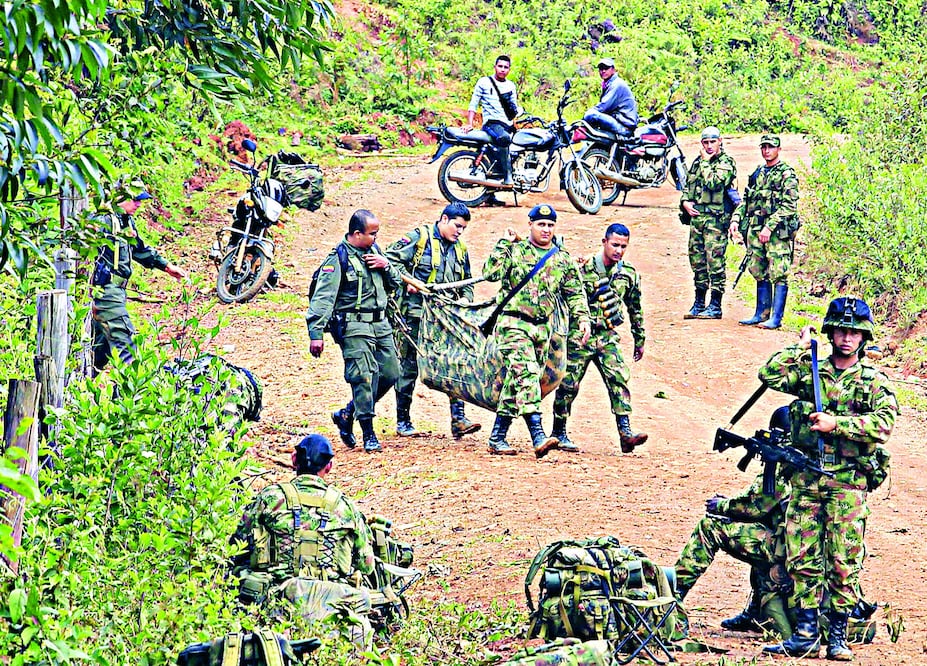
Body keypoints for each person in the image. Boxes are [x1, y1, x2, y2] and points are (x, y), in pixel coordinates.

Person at [758, 296, 897, 660]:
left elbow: (884, 424)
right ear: (830, 333)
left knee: (843, 559)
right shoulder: (811, 372)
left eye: (853, 332)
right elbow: (769, 374)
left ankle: (837, 635)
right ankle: (805, 632)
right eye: (840, 331)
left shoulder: (872, 380)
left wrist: (839, 425)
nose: (846, 338)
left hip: (848, 483)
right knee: (801, 555)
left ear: (863, 337)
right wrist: (800, 348)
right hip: (807, 479)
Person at [674, 407, 794, 638]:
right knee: (760, 533)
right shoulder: (809, 457)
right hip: (800, 546)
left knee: (710, 528)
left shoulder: (784, 461)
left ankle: (672, 595)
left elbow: (755, 505)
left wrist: (722, 506)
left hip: (786, 548)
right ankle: (757, 613)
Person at [482, 204, 591, 457]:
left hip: (542, 330)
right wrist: (503, 244)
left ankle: (497, 437)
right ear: (530, 224)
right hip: (512, 324)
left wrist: (583, 319)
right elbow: (490, 273)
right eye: (541, 224)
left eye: (550, 225)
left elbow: (575, 293)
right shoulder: (516, 251)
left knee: (516, 382)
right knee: (528, 374)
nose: (546, 229)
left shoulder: (561, 259)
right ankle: (538, 435)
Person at [231, 434, 375, 597]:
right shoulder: (345, 506)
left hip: (275, 597)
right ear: (329, 466)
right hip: (331, 602)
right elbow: (366, 565)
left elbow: (238, 545)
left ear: (294, 460)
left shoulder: (269, 497)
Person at [306, 209, 402, 453]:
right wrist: (316, 334)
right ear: (357, 234)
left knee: (391, 372)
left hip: (380, 323)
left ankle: (348, 413)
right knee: (363, 376)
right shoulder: (337, 259)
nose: (376, 238)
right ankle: (368, 432)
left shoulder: (376, 253)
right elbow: (323, 298)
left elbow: (396, 283)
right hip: (354, 326)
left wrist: (386, 266)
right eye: (372, 234)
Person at [385, 202, 481, 439]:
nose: (459, 231)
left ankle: (458, 419)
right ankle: (403, 420)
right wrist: (407, 282)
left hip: (445, 320)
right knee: (407, 367)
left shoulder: (461, 250)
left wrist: (465, 301)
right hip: (414, 316)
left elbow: (466, 282)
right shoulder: (419, 239)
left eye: (463, 228)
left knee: (455, 363)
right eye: (457, 226)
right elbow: (389, 261)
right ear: (444, 219)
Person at [551, 223, 647, 454]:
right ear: (604, 242)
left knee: (618, 379)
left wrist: (639, 338)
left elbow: (635, 308)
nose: (619, 250)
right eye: (615, 244)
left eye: (623, 246)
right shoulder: (582, 269)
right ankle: (558, 432)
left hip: (606, 335)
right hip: (580, 335)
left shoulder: (628, 273)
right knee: (568, 383)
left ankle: (625, 433)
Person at [90, 188, 187, 375]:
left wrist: (166, 267)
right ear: (120, 199)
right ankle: (138, 390)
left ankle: (85, 390)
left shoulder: (125, 221)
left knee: (100, 349)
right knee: (125, 341)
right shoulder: (104, 221)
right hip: (106, 291)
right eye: (135, 200)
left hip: (117, 289)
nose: (139, 205)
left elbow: (139, 249)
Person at [729, 135, 800, 330]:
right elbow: (746, 200)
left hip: (778, 233)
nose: (766, 151)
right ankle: (761, 313)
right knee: (758, 270)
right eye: (764, 147)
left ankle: (776, 318)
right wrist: (736, 219)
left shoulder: (786, 174)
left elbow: (789, 206)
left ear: (779, 149)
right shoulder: (758, 173)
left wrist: (770, 226)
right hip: (756, 228)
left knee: (778, 272)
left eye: (771, 147)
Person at [680, 127, 738, 319]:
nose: (709, 146)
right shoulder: (698, 163)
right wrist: (685, 202)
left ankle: (715, 304)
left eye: (712, 142)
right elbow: (689, 185)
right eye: (705, 142)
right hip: (697, 218)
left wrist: (705, 162)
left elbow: (714, 182)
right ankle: (699, 302)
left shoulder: (726, 163)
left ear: (720, 141)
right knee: (697, 261)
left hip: (716, 220)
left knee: (715, 262)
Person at [465, 54, 522, 203]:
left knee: (509, 151)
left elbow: (513, 108)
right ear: (495, 67)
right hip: (492, 124)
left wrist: (518, 120)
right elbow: (474, 103)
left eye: (506, 67)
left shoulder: (511, 86)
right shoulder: (484, 82)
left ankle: (490, 195)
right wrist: (470, 123)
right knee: (504, 140)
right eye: (500, 66)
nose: (502, 69)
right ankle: (508, 176)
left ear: (509, 69)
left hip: (506, 124)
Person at [582, 57, 638, 138]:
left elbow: (603, 106)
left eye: (606, 68)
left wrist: (584, 117)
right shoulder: (609, 83)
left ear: (613, 70)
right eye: (601, 69)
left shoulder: (616, 84)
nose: (603, 71)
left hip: (625, 127)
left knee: (591, 115)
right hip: (618, 121)